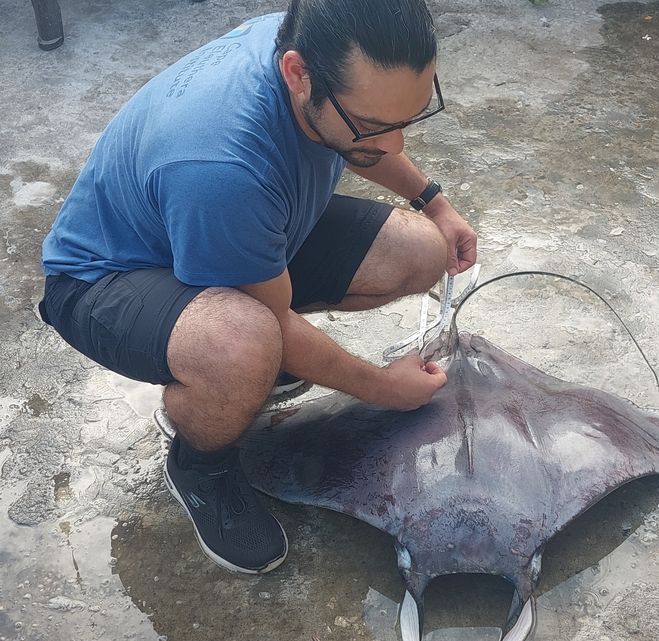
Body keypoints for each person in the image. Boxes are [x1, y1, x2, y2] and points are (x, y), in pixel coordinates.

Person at [39, 0, 477, 575]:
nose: (393, 144)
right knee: (245, 344)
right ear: (298, 75)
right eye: (373, 125)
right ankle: (201, 464)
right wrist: (382, 389)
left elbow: (366, 141)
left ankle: (240, 369)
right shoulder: (220, 166)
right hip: (106, 277)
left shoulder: (309, 38)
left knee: (422, 249)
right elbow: (275, 324)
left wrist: (435, 204)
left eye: (409, 118)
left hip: (221, 232)